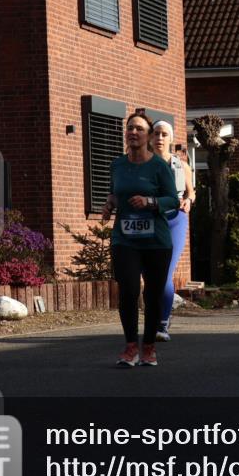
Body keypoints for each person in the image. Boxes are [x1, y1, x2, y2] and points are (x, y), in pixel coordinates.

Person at [101, 112, 178, 367]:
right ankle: (131, 347)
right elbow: (115, 193)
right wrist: (109, 204)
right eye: (130, 128)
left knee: (153, 294)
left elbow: (173, 201)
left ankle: (149, 347)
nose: (133, 133)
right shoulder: (117, 165)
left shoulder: (159, 166)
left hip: (156, 241)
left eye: (139, 129)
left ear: (148, 136)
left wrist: (150, 201)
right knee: (129, 290)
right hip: (125, 239)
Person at [149, 119, 196, 342]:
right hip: (151, 220)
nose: (159, 138)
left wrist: (188, 201)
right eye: (156, 133)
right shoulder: (141, 164)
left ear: (171, 138)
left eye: (164, 134)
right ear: (150, 137)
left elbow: (191, 192)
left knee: (165, 272)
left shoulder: (181, 166)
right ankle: (156, 317)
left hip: (175, 220)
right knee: (151, 275)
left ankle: (162, 322)